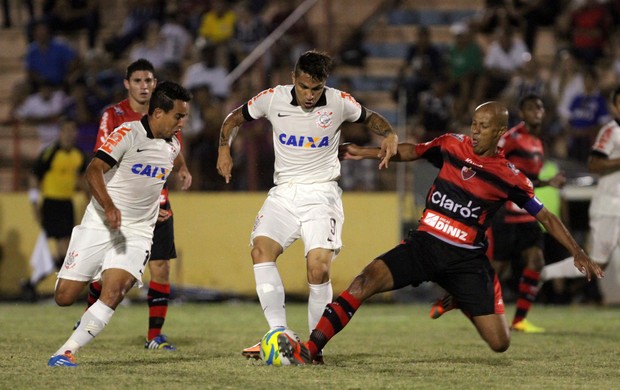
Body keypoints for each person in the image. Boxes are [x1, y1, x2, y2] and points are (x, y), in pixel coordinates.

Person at [276, 101, 604, 365]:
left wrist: (578, 251)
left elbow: (545, 215)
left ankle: (461, 297)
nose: (475, 132)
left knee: (499, 344)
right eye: (473, 125)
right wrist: (364, 152)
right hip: (424, 244)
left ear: (500, 132)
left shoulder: (509, 176)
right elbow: (412, 151)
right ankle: (311, 348)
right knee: (364, 282)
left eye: (484, 127)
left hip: (466, 260)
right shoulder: (452, 145)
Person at [216, 50, 398, 364]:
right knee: (261, 250)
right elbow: (234, 118)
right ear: (293, 79)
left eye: (316, 88)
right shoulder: (273, 98)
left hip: (322, 195)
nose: (310, 95)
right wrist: (224, 148)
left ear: (324, 84)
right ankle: (278, 334)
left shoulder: (339, 102)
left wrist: (390, 135)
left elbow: (372, 118)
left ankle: (315, 349)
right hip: (284, 194)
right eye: (303, 87)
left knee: (318, 268)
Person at [47, 81, 192, 367]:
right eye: (178, 116)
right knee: (64, 297)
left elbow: (159, 175)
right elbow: (93, 171)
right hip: (100, 222)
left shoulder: (172, 145)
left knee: (116, 291)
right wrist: (110, 206)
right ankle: (96, 280)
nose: (182, 123)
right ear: (158, 113)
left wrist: (155, 208)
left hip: (137, 231)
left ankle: (66, 351)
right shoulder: (127, 133)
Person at [79, 59, 192, 351]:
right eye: (139, 81)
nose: (145, 86)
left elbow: (172, 147)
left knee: (162, 268)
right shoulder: (115, 116)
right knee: (106, 274)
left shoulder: (169, 113)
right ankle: (87, 317)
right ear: (127, 84)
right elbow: (103, 160)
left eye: (149, 81)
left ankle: (155, 334)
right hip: (119, 205)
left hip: (157, 203)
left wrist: (182, 169)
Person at [429, 94, 566, 333]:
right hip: (506, 216)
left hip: (525, 215)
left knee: (536, 261)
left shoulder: (538, 142)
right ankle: (452, 299)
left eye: (540, 108)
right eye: (531, 108)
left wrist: (545, 184)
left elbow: (523, 184)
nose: (537, 112)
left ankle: (519, 319)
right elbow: (496, 167)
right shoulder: (511, 138)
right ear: (522, 114)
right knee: (495, 271)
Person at [541, 86, 620, 286]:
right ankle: (542, 273)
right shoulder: (611, 131)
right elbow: (594, 164)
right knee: (598, 262)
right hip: (609, 207)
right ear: (614, 107)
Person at [22, 119, 87, 301]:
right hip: (51, 203)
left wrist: (91, 198)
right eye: (66, 130)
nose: (69, 134)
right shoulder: (51, 152)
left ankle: (32, 283)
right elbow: (35, 176)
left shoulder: (79, 154)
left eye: (72, 131)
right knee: (62, 252)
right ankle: (57, 289)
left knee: (64, 253)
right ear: (60, 133)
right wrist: (35, 203)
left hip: (67, 204)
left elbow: (83, 179)